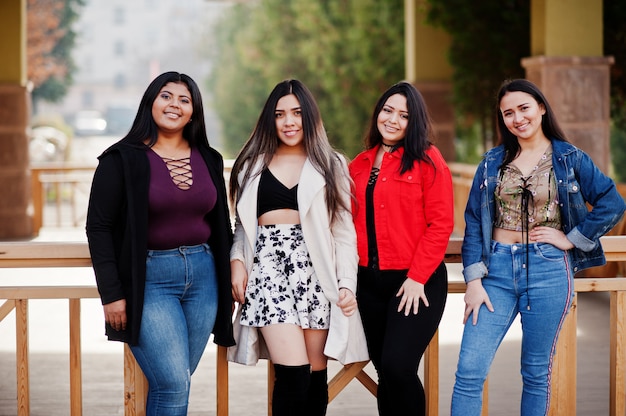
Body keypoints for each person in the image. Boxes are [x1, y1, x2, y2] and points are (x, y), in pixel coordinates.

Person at [451, 78, 626, 416]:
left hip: (548, 270)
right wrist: (473, 281)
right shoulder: (491, 163)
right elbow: (475, 221)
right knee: (469, 371)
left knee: (535, 374)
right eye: (508, 113)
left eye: (524, 108)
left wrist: (571, 239)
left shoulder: (568, 158)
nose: (517, 118)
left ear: (541, 108)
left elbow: (612, 201)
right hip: (496, 273)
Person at [86, 71, 235, 415]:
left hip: (204, 277)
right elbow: (99, 227)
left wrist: (226, 283)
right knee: (173, 384)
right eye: (166, 96)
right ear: (151, 102)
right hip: (150, 279)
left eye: (185, 100)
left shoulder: (208, 158)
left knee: (178, 379)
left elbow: (221, 225)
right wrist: (111, 294)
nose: (175, 105)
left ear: (194, 112)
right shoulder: (120, 159)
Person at [227, 79, 369, 416]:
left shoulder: (330, 164)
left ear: (310, 117)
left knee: (314, 376)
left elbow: (344, 233)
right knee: (291, 375)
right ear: (270, 120)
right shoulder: (251, 165)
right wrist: (236, 260)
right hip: (268, 275)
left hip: (316, 274)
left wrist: (347, 283)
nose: (289, 121)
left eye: (297, 113)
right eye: (280, 114)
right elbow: (241, 226)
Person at [349, 81, 454, 415]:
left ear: (415, 122)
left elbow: (441, 223)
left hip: (415, 284)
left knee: (398, 367)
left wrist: (418, 276)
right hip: (368, 284)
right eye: (387, 110)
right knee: (385, 372)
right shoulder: (359, 164)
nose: (393, 119)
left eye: (403, 115)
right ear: (378, 113)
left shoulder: (428, 160)